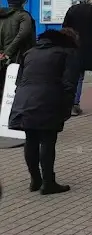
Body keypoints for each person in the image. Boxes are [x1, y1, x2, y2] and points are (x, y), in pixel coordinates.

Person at [8, 28, 81, 194]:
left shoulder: (30, 52)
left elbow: (19, 80)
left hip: (24, 100)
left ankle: (35, 180)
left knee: (31, 139)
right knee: (48, 141)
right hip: (49, 101)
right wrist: (66, 108)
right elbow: (69, 84)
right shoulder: (68, 53)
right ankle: (49, 182)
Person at [0, 0, 36, 97]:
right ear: (22, 2)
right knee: (17, 86)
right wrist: (8, 52)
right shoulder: (24, 16)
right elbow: (23, 34)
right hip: (19, 56)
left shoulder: (2, 15)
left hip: (2, 56)